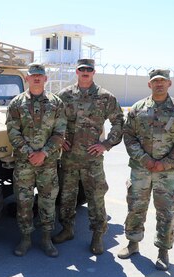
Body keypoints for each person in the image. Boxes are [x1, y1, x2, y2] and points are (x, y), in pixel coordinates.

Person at [117, 69, 174, 271]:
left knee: (167, 211)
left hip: (167, 173)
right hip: (141, 169)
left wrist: (165, 163)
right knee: (135, 207)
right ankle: (133, 243)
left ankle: (163, 250)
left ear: (169, 84)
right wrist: (144, 159)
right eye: (155, 81)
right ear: (149, 85)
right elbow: (129, 136)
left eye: (162, 81)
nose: (159, 84)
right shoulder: (137, 108)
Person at [54, 58, 124, 255]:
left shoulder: (105, 97)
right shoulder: (64, 95)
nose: (85, 72)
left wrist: (106, 144)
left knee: (96, 197)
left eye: (89, 69)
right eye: (81, 69)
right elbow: (53, 120)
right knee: (67, 196)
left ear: (94, 72)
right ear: (76, 71)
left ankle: (97, 235)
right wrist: (60, 140)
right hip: (68, 157)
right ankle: (67, 229)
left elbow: (119, 121)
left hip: (92, 159)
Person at [6, 63, 66, 258]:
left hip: (47, 163)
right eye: (33, 75)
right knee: (24, 201)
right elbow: (13, 132)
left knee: (48, 202)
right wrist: (29, 152)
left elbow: (60, 132)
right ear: (27, 78)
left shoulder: (56, 103)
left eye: (40, 75)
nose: (37, 78)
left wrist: (44, 153)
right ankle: (25, 238)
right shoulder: (16, 103)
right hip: (24, 163)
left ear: (46, 79)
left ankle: (47, 238)